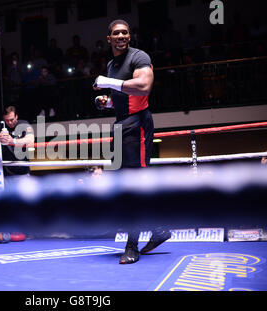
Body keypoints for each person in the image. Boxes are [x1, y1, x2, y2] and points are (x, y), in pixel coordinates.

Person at [93, 19, 170, 264]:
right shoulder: (112, 64)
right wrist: (107, 102)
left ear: (130, 35)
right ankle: (158, 230)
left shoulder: (139, 57)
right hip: (121, 124)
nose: (121, 36)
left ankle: (132, 245)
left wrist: (107, 82)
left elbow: (144, 86)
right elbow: (124, 98)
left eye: (125, 32)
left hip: (138, 124)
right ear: (109, 38)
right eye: (116, 33)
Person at [0, 106, 35, 179]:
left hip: (22, 171)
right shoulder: (1, 125)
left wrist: (12, 141)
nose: (9, 122)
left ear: (16, 116)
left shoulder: (24, 124)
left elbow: (30, 139)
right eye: (7, 120)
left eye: (12, 119)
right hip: (6, 173)